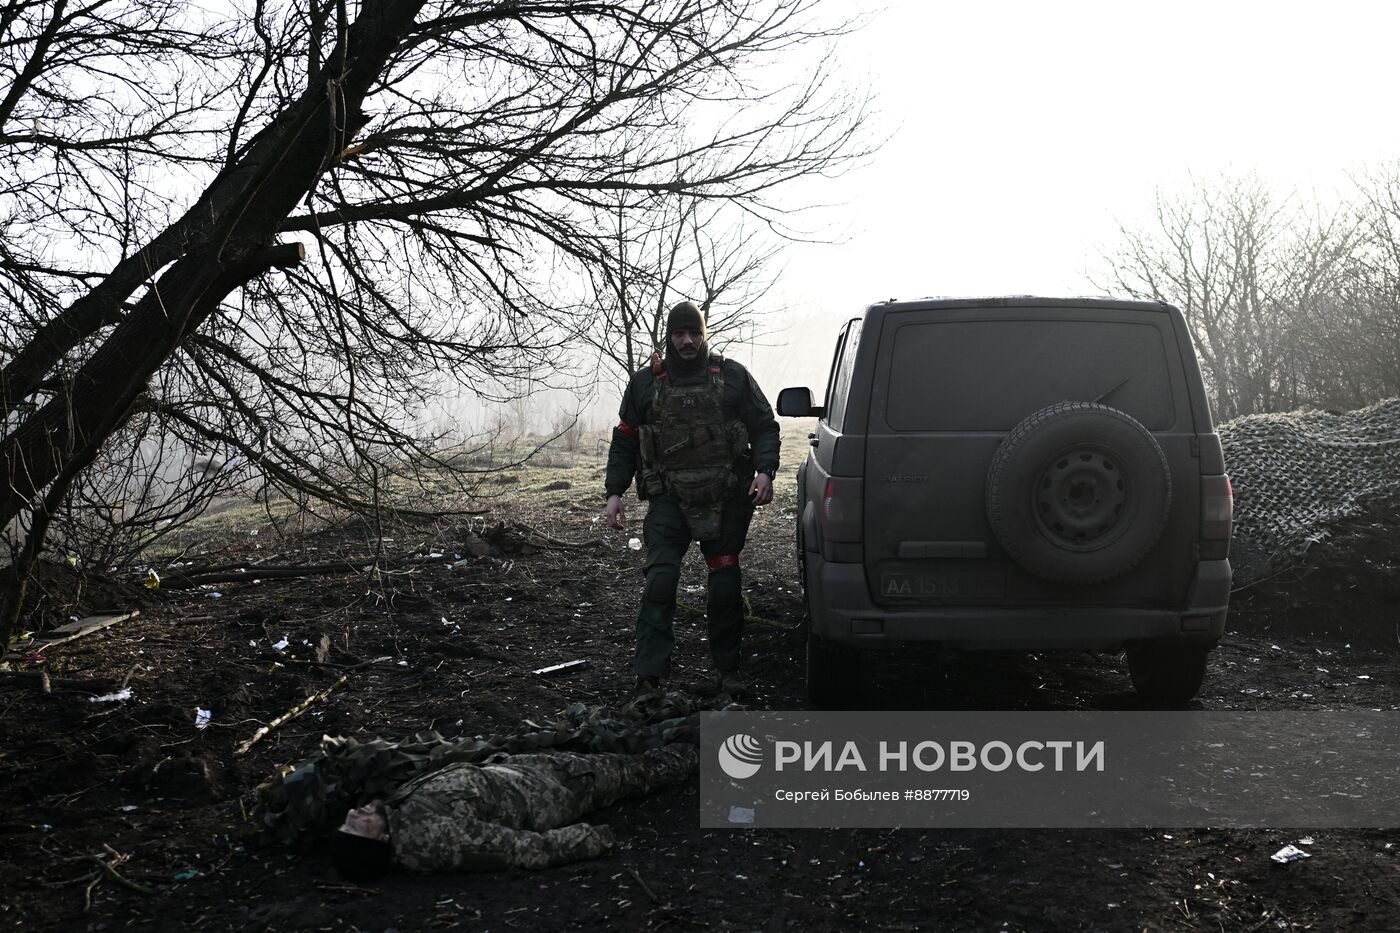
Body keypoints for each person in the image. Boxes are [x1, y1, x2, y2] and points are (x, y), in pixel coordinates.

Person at [604, 301, 780, 699]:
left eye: (694, 333)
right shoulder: (646, 383)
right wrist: (614, 492)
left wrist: (765, 471)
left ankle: (728, 671)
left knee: (723, 584)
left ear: (703, 335)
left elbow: (764, 425)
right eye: (679, 334)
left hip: (726, 498)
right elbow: (626, 437)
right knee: (660, 582)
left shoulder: (731, 375)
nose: (687, 341)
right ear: (669, 336)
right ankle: (649, 676)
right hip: (669, 499)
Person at [332, 743, 698, 880]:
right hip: (551, 791)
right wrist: (594, 838)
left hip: (521, 771)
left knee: (625, 760)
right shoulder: (434, 841)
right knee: (634, 771)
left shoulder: (397, 813)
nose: (353, 814)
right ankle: (708, 754)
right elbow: (521, 848)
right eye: (356, 826)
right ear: (380, 840)